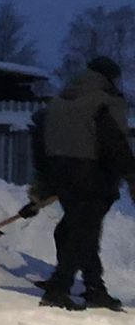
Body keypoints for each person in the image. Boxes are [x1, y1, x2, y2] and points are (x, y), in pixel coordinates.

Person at [31, 56, 135, 310]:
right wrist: (132, 176)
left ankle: (94, 287)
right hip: (93, 177)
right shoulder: (106, 101)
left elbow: (39, 136)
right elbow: (114, 143)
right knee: (82, 232)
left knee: (71, 230)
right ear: (110, 77)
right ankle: (59, 287)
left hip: (62, 174)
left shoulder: (60, 102)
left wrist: (45, 179)